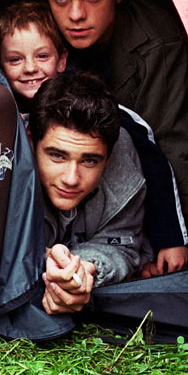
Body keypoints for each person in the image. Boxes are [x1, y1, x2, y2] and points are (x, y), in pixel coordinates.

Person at [34, 0, 188, 273]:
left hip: (132, 182)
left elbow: (168, 140)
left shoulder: (157, 43)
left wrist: (168, 238)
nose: (75, 15)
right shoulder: (40, 34)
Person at [0, 1, 188, 279]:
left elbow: (154, 160)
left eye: (42, 56)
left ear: (61, 60)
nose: (30, 68)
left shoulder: (93, 108)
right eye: (15, 60)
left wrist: (171, 237)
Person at [28, 71, 150, 315]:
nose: (71, 179)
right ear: (31, 142)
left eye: (89, 161)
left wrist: (86, 267)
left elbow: (123, 244)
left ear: (109, 158)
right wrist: (41, 260)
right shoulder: (0, 171)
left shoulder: (125, 173)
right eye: (57, 156)